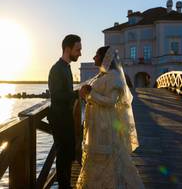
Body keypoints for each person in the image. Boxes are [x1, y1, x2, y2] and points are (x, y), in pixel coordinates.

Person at [76, 46, 145, 188]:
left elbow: (111, 101)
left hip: (105, 123)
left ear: (104, 58)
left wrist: (90, 94)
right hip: (98, 122)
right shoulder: (104, 75)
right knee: (98, 157)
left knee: (108, 157)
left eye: (96, 55)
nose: (94, 57)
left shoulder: (114, 76)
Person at [47, 34, 82, 188]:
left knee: (68, 155)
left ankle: (66, 185)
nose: (80, 53)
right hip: (59, 119)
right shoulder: (56, 69)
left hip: (66, 118)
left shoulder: (67, 68)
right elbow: (56, 96)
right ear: (67, 49)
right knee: (62, 157)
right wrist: (76, 94)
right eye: (77, 50)